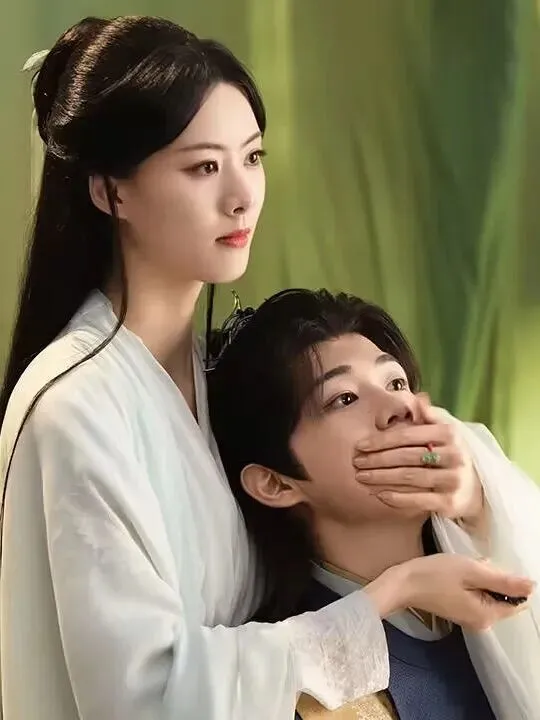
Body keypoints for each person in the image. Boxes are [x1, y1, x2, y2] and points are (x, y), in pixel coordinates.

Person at [0, 16, 533, 720]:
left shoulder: (209, 372)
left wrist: (466, 492)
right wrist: (391, 596)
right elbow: (143, 696)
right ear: (110, 192)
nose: (242, 196)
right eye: (203, 167)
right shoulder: (76, 407)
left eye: (252, 157)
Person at [207, 288, 540, 719]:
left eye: (396, 383)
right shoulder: (293, 683)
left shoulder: (498, 573)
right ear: (275, 483)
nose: (398, 407)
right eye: (344, 398)